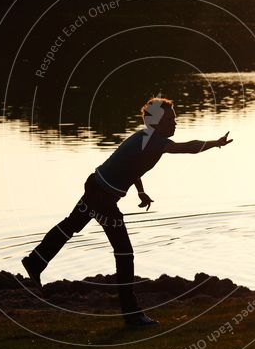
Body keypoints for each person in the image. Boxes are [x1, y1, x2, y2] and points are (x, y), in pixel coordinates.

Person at [21, 97, 233, 327]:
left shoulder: (145, 138)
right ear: (157, 122)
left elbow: (133, 167)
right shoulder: (153, 140)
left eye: (175, 118)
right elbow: (188, 147)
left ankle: (34, 262)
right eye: (170, 119)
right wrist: (216, 143)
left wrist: (140, 192)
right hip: (102, 197)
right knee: (124, 253)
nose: (175, 123)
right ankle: (132, 315)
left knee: (70, 226)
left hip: (96, 189)